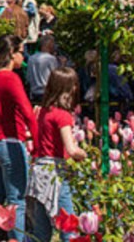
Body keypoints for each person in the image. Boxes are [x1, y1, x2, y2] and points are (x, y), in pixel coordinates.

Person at [0, 34, 37, 242]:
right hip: (9, 141)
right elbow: (28, 112)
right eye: (22, 51)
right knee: (16, 201)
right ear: (12, 53)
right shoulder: (10, 78)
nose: (24, 56)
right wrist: (37, 144)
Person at [26, 67, 87, 242]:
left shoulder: (44, 112)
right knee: (69, 228)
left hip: (39, 173)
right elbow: (71, 149)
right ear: (70, 88)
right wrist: (85, 155)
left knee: (41, 232)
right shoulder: (63, 116)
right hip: (56, 175)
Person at [26, 35, 60, 104]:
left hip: (34, 93)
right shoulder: (51, 59)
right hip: (47, 93)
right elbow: (57, 77)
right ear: (49, 44)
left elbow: (28, 78)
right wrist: (62, 65)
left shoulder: (31, 58)